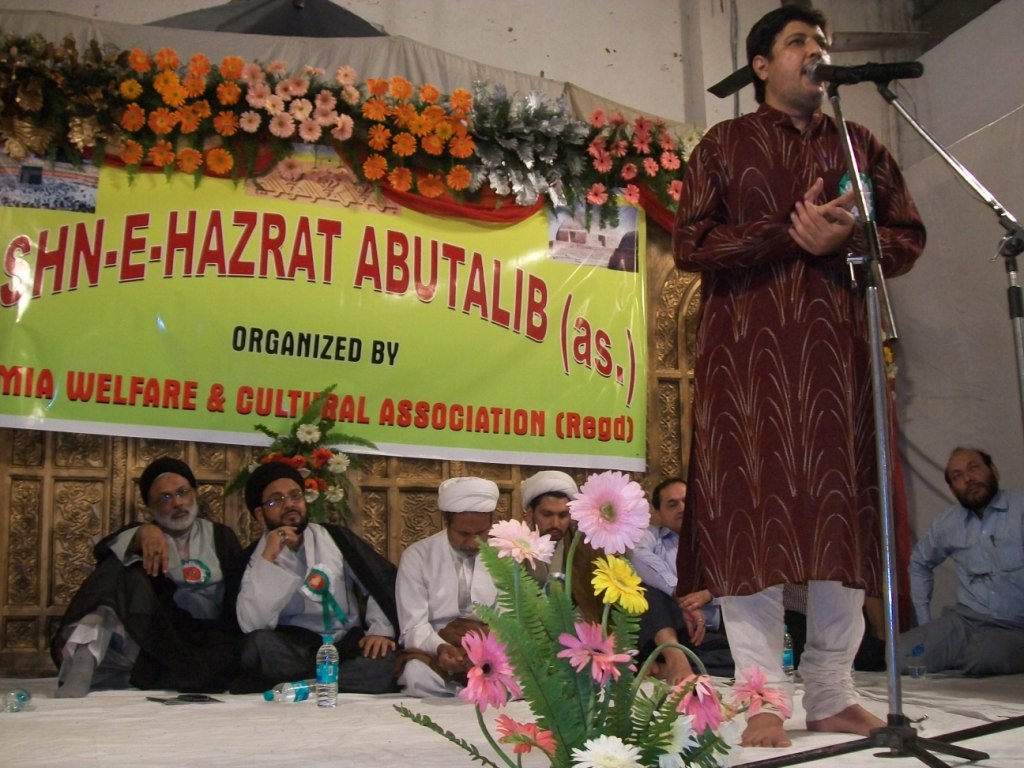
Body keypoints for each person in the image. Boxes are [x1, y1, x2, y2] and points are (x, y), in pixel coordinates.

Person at [672, 4, 926, 747]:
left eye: (821, 42)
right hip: (746, 366)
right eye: (798, 42)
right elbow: (691, 243)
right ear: (761, 65)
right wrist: (787, 233)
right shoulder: (724, 145)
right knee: (752, 522)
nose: (815, 51)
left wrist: (848, 239)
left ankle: (832, 692)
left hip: (837, 363)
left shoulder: (859, 144)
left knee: (841, 519)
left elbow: (906, 239)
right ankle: (763, 697)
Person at [51, 457, 244, 697]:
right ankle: (83, 660)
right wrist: (140, 533)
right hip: (160, 637)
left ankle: (129, 675)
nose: (177, 503)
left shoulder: (221, 536)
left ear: (194, 494)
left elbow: (238, 596)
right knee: (117, 565)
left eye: (182, 493)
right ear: (151, 509)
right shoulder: (143, 537)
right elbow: (103, 549)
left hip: (210, 639)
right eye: (165, 498)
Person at [233, 462, 398, 694]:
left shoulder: (336, 538)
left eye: (295, 496)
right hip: (294, 647)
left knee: (385, 662)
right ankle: (331, 683)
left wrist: (379, 630)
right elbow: (252, 625)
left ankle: (303, 685)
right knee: (258, 646)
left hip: (344, 645)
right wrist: (269, 557)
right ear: (260, 515)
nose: (289, 504)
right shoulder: (254, 558)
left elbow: (380, 582)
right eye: (276, 500)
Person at [899, 447, 1024, 675]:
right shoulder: (948, 523)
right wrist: (926, 623)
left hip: (1016, 625)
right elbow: (919, 563)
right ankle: (958, 658)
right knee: (902, 654)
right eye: (957, 476)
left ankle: (964, 660)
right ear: (952, 489)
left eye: (974, 468)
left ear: (994, 471)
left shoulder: (1020, 508)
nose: (968, 478)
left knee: (984, 657)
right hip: (966, 622)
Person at [395, 476, 499, 697]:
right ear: (446, 522)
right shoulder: (418, 556)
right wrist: (440, 647)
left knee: (529, 672)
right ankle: (471, 693)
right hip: (438, 646)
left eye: (480, 534)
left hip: (490, 648)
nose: (472, 543)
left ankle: (475, 691)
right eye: (463, 534)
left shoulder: (504, 556)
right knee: (416, 675)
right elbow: (413, 626)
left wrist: (485, 649)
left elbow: (510, 620)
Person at [631, 478, 733, 683]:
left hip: (705, 635)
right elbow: (638, 557)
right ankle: (674, 655)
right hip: (663, 629)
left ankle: (664, 668)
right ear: (657, 513)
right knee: (645, 589)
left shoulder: (715, 541)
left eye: (687, 501)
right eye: (672, 504)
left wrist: (709, 594)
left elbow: (736, 583)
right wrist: (680, 595)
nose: (682, 508)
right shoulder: (651, 536)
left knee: (741, 663)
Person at [521, 470, 578, 587]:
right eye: (547, 514)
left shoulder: (581, 549)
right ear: (530, 513)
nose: (555, 524)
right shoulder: (513, 547)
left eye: (562, 515)